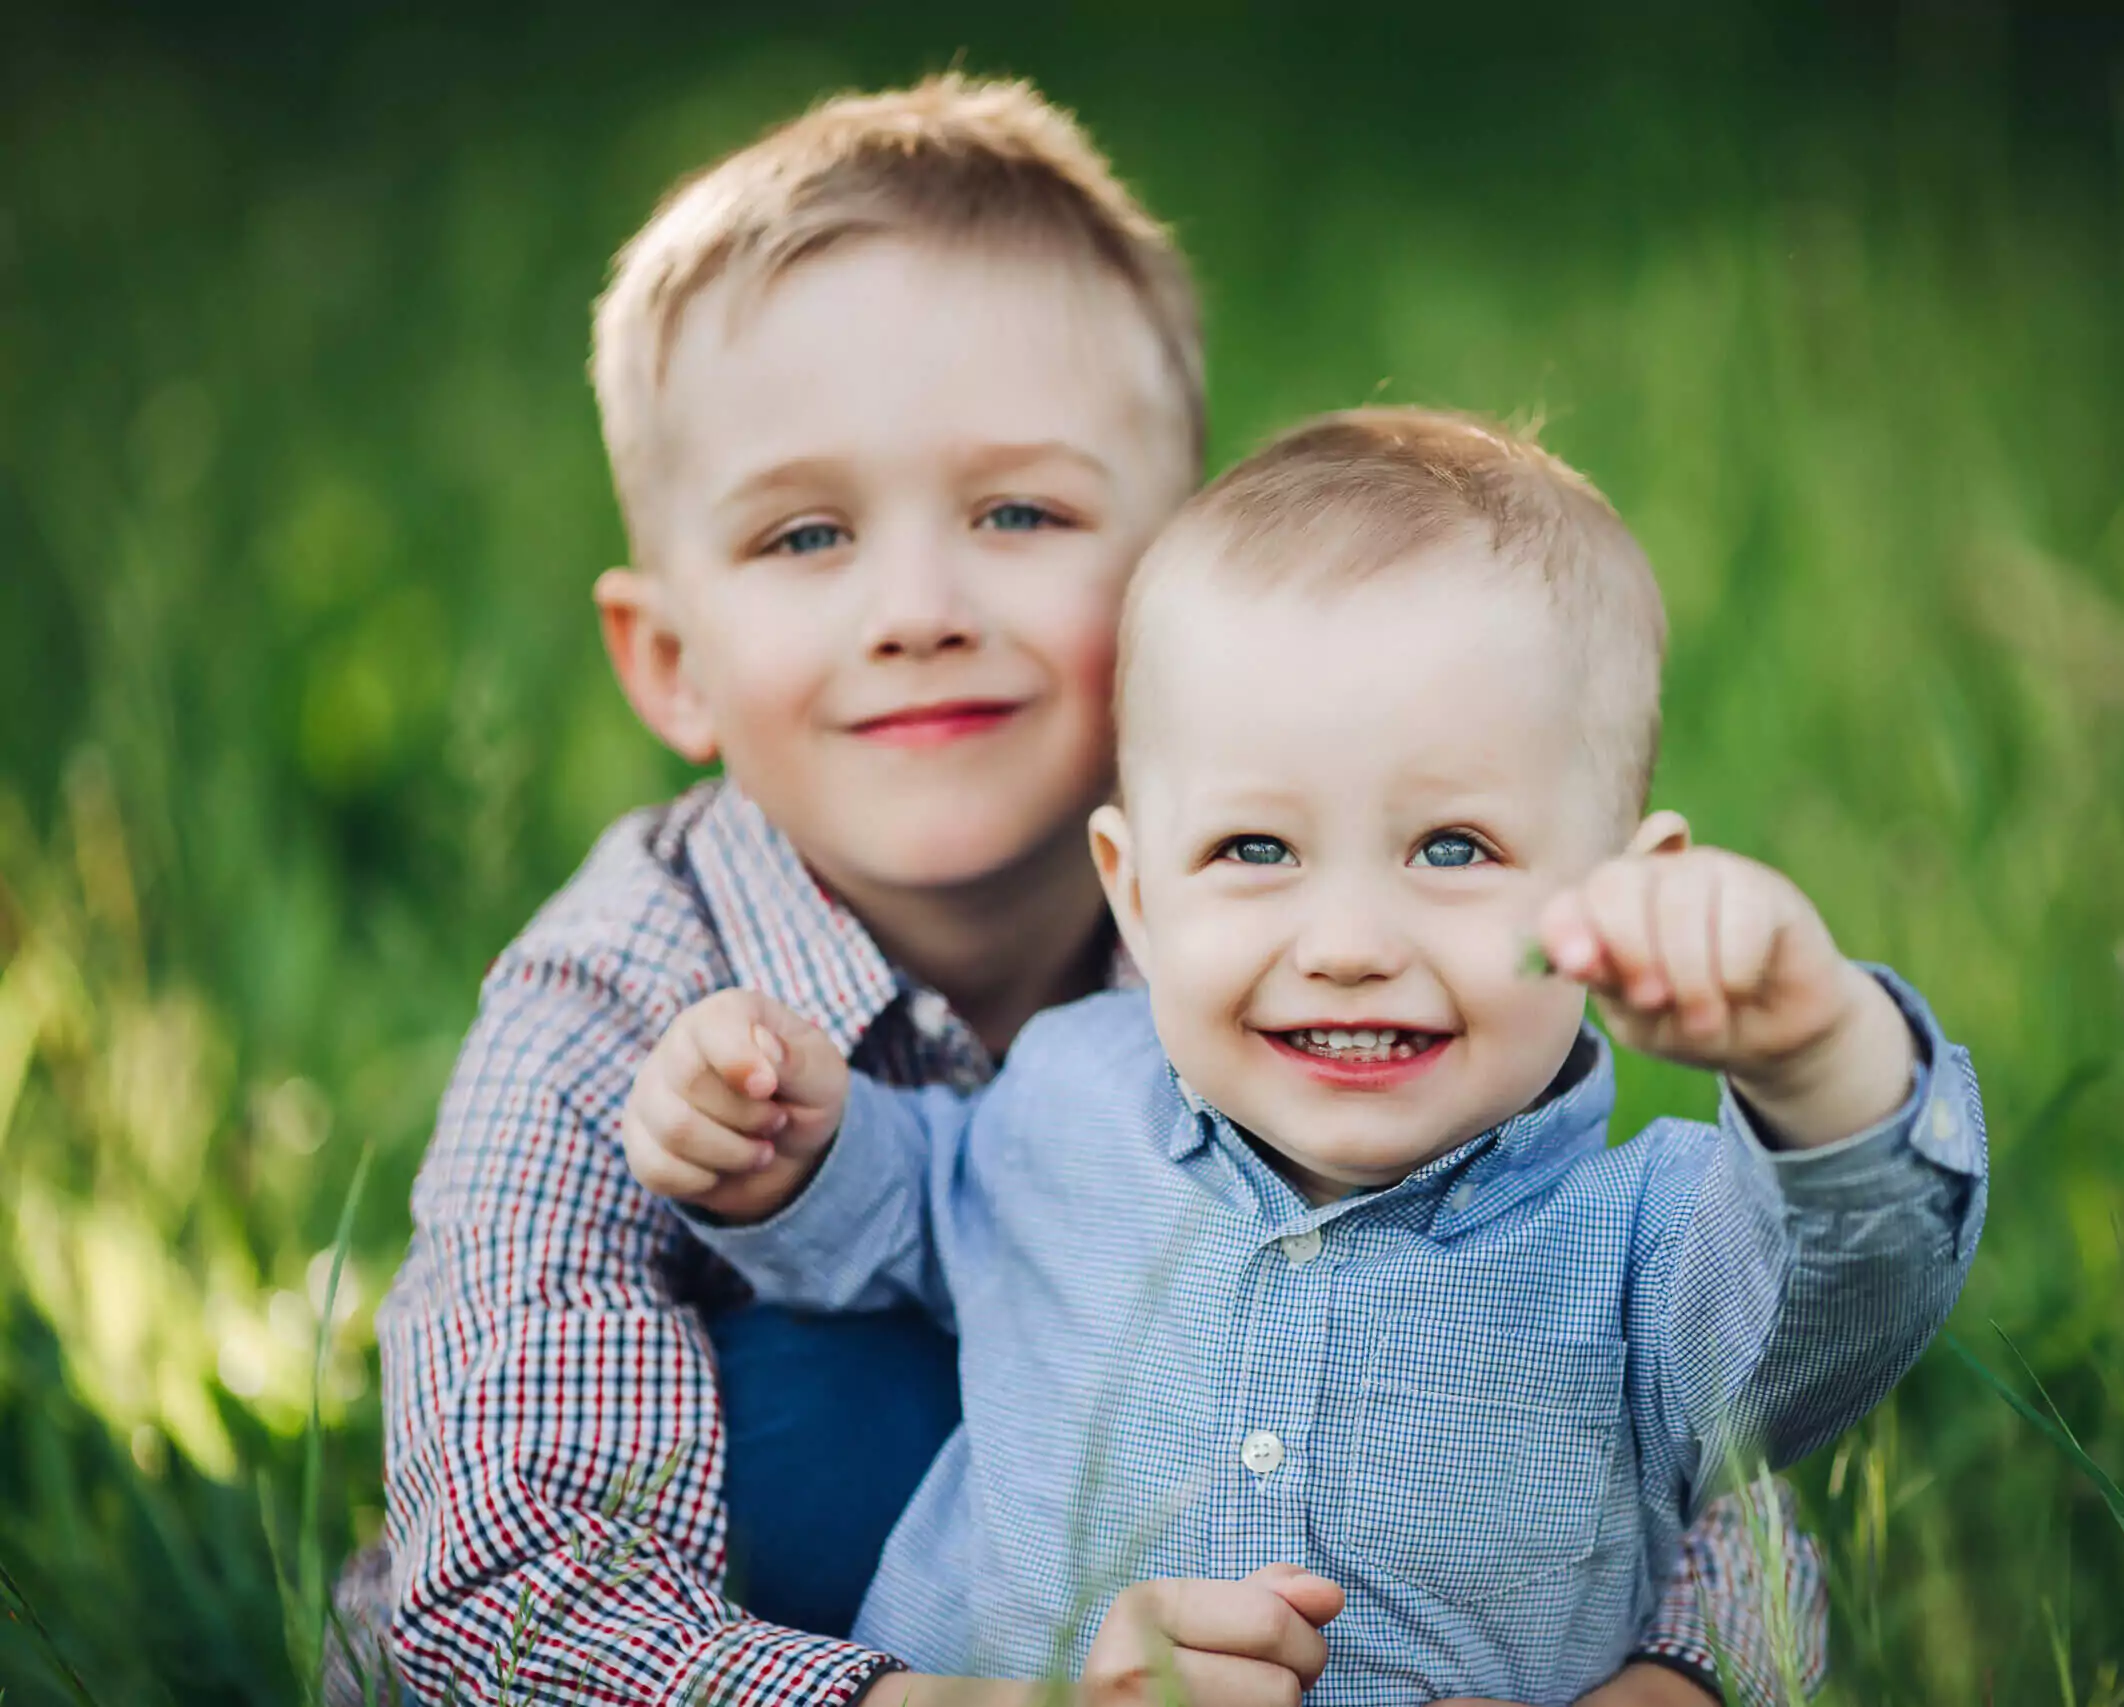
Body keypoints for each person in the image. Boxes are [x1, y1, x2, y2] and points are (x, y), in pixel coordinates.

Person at [349, 78, 1831, 1707]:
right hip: (794, 1649)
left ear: (1183, 579)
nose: (919, 606)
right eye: (805, 534)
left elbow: (1641, 1379)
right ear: (668, 658)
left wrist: (1676, 1679)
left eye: (1019, 512)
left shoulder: (1333, 952)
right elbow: (511, 1594)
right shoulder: (609, 1006)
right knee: (812, 1383)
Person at [624, 408, 1989, 1703]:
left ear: (1625, 890)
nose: (1344, 941)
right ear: (1138, 893)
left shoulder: (1649, 1244)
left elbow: (1850, 1288)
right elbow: (905, 1207)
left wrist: (1815, 1051)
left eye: (1453, 848)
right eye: (1254, 850)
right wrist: (788, 1145)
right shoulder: (1062, 1096)